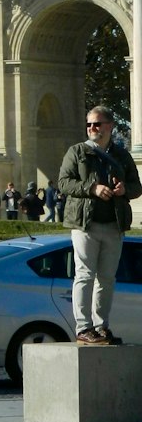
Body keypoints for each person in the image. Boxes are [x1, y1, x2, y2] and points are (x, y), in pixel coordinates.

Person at [59, 105, 142, 345]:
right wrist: (92, 188)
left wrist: (124, 190)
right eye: (89, 124)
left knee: (106, 277)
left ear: (110, 126)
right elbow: (64, 183)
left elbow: (137, 186)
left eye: (97, 124)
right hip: (85, 222)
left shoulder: (122, 155)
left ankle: (101, 325)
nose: (92, 128)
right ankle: (83, 327)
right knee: (84, 274)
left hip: (114, 223)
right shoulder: (77, 152)